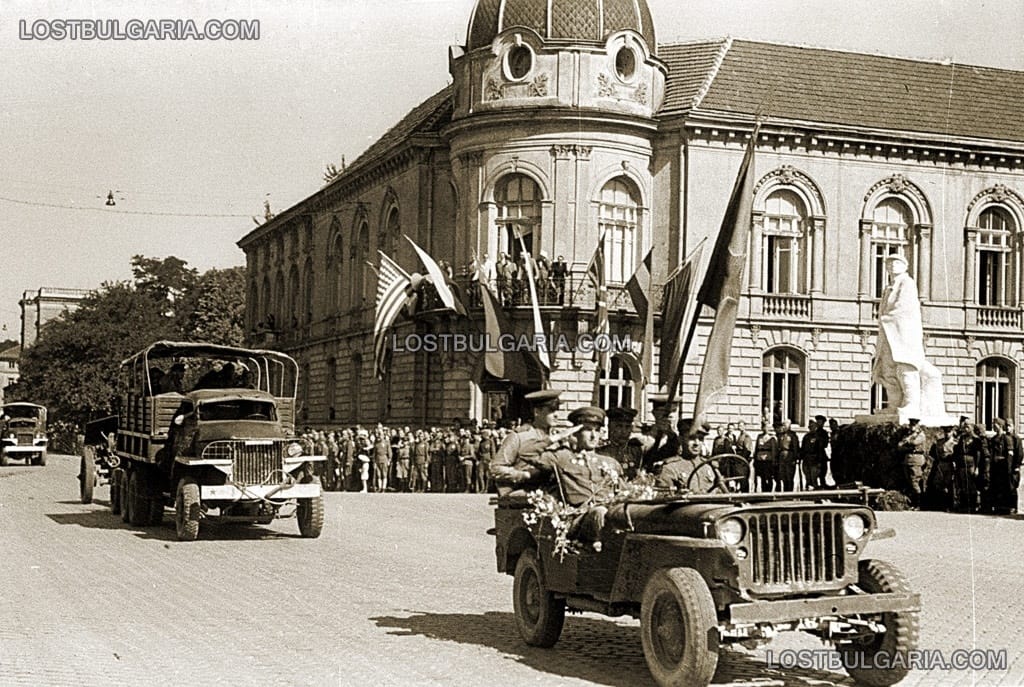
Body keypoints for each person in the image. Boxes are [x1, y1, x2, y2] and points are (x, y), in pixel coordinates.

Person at [871, 253, 947, 421]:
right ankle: (894, 404)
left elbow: (903, 307)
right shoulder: (888, 288)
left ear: (905, 266)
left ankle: (912, 403)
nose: (892, 265)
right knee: (887, 370)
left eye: (897, 262)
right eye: (889, 263)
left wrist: (885, 318)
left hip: (903, 334)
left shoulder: (907, 283)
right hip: (889, 332)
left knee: (906, 368)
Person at [532, 406, 623, 544]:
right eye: (587, 430)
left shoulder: (611, 462)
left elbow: (622, 491)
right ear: (576, 432)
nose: (593, 436)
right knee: (599, 512)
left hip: (609, 517)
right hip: (577, 520)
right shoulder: (562, 458)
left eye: (597, 430)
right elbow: (528, 454)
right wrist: (558, 437)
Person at [490, 389, 561, 495]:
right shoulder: (519, 437)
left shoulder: (559, 438)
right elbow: (495, 469)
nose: (556, 415)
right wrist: (525, 475)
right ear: (537, 412)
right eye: (551, 411)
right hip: (526, 495)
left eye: (557, 410)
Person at [656, 419, 718, 493]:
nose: (697, 443)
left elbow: (719, 492)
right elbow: (663, 497)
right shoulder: (670, 467)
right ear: (680, 439)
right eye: (691, 438)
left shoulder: (708, 466)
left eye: (701, 439)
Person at [641, 394, 680, 474]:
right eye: (665, 412)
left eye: (674, 411)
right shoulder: (644, 437)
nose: (670, 415)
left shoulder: (682, 438)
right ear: (654, 413)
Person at [897, 418, 928, 508]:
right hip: (907, 460)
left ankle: (919, 504)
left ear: (918, 425)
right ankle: (912, 503)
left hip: (916, 460)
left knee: (915, 481)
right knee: (909, 481)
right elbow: (899, 446)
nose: (911, 426)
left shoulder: (920, 435)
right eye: (911, 424)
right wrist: (907, 446)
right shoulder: (908, 435)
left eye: (914, 425)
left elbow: (915, 442)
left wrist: (907, 441)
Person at [800, 417, 829, 489]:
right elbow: (803, 448)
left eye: (812, 426)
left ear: (816, 427)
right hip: (807, 460)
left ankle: (816, 494)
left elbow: (821, 448)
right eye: (810, 427)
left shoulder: (819, 437)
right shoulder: (806, 436)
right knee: (808, 478)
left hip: (815, 460)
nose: (811, 428)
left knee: (814, 478)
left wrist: (819, 460)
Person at [752, 420, 778, 492]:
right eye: (764, 427)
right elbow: (756, 448)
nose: (765, 429)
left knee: (768, 477)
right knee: (762, 477)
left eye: (767, 427)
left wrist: (773, 461)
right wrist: (755, 459)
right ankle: (763, 492)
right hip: (760, 460)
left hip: (768, 460)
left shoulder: (771, 438)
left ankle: (769, 491)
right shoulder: (759, 436)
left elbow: (773, 450)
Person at [774, 420, 800, 491]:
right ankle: (785, 492)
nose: (784, 427)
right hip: (781, 456)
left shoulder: (792, 435)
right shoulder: (780, 435)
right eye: (783, 425)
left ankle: (790, 493)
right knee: (783, 475)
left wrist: (795, 458)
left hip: (789, 456)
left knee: (789, 476)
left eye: (785, 425)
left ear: (789, 426)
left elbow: (795, 447)